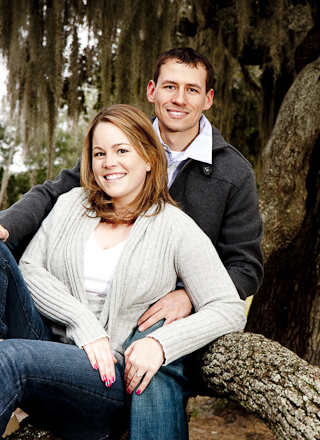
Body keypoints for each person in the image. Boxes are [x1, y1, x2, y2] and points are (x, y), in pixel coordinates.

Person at [0, 105, 246, 440]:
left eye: (121, 151)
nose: (108, 162)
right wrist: (82, 321)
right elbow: (30, 268)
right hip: (45, 340)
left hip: (102, 381)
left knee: (10, 358)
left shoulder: (175, 227)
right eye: (99, 153)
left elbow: (228, 307)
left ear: (149, 158)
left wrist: (161, 344)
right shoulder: (71, 205)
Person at [0, 48, 263, 321]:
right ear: (152, 91)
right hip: (88, 293)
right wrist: (6, 224)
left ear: (208, 99)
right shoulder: (118, 143)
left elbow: (245, 267)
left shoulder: (234, 172)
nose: (179, 99)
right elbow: (55, 193)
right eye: (170, 86)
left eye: (192, 90)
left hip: (154, 316)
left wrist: (189, 297)